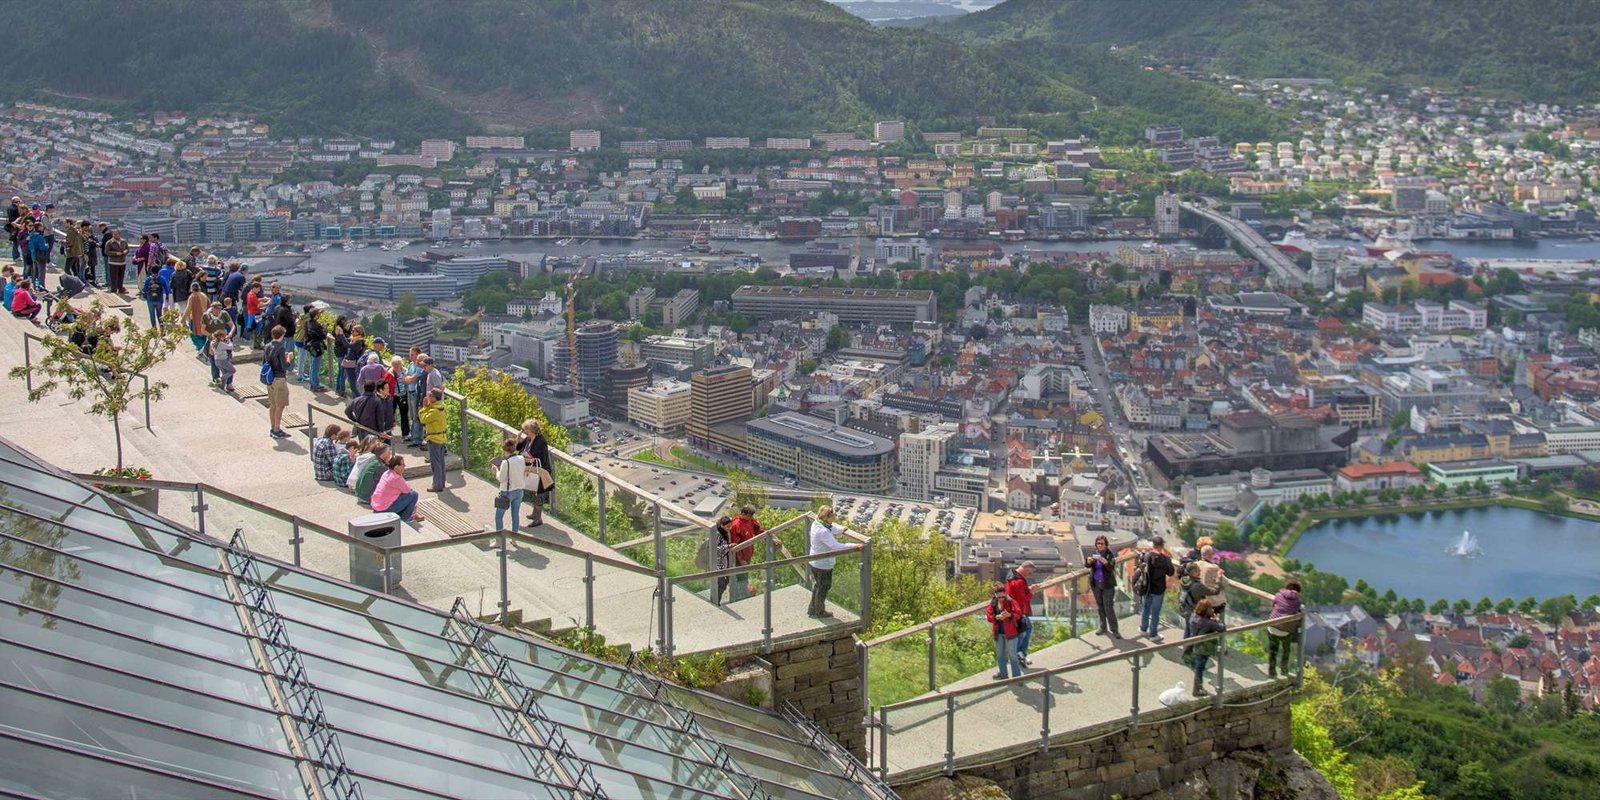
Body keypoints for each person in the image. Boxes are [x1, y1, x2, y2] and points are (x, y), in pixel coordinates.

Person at [806, 505, 853, 619]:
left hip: (815, 561)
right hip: (823, 564)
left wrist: (841, 529)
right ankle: (819, 611)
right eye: (832, 516)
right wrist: (854, 546)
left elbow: (832, 528)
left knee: (818, 585)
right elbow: (835, 546)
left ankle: (812, 608)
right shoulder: (823, 531)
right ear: (827, 517)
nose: (834, 518)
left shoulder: (817, 523)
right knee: (824, 586)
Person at [1136, 536, 1176, 642]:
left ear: (1153, 545)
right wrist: (1168, 561)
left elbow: (1140, 566)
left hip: (1147, 587)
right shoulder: (1165, 559)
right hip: (1159, 589)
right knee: (1155, 612)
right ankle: (1153, 634)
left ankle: (1143, 629)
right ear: (1162, 546)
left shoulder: (1146, 556)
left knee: (1145, 608)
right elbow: (1171, 572)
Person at [1185, 598, 1226, 698]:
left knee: (1198, 666)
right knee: (1200, 668)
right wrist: (1216, 619)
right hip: (1204, 648)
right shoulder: (1207, 623)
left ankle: (1198, 687)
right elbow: (1222, 627)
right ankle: (1197, 689)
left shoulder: (1193, 617)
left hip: (1194, 645)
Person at [515, 418, 552, 522]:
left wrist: (528, 459)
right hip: (531, 470)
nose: (525, 432)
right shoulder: (528, 439)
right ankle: (534, 513)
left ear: (532, 430)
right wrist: (517, 441)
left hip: (540, 472)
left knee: (539, 494)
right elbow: (519, 448)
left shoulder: (541, 441)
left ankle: (538, 518)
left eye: (526, 430)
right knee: (532, 491)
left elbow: (540, 459)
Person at [1266, 579, 1303, 679]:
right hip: (1285, 630)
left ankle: (1271, 672)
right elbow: (1296, 611)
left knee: (1273, 650)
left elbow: (1274, 605)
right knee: (1286, 650)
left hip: (1272, 626)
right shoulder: (1298, 601)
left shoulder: (1278, 595)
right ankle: (1284, 670)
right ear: (1298, 591)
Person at [726, 505, 764, 601]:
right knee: (741, 578)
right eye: (749, 515)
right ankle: (740, 598)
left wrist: (771, 538)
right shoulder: (736, 525)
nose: (751, 517)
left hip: (747, 556)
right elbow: (735, 545)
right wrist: (741, 560)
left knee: (744, 577)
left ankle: (742, 596)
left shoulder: (750, 520)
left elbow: (759, 530)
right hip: (738, 560)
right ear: (743, 514)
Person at [371, 455, 424, 523]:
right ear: (396, 467)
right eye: (403, 464)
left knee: (401, 494)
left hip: (376, 505)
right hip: (384, 509)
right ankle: (406, 518)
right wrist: (401, 475)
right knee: (414, 495)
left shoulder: (386, 473)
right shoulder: (396, 478)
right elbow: (408, 490)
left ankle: (401, 514)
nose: (404, 466)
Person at [988, 581, 1024, 680]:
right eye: (999, 597)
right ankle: (1003, 675)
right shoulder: (993, 603)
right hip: (998, 633)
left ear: (1005, 594)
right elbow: (989, 616)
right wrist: (996, 617)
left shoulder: (1011, 601)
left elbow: (1018, 614)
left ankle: (1016, 677)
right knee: (1000, 656)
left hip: (1011, 633)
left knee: (1013, 656)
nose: (1001, 599)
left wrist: (1009, 615)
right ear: (995, 596)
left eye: (1003, 597)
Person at [263, 324, 294, 439]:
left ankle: (273, 427)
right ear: (282, 335)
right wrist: (289, 358)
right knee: (280, 405)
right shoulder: (281, 347)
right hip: (279, 378)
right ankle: (277, 429)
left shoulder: (267, 346)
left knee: (273, 404)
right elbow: (285, 366)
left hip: (269, 378)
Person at [1004, 560, 1037, 667]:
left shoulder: (1012, 576)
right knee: (1024, 631)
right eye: (1030, 572)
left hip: (1011, 610)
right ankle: (1020, 655)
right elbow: (1022, 599)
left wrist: (1028, 589)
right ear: (1026, 569)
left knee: (1021, 632)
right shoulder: (1019, 581)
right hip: (1018, 611)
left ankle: (1019, 655)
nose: (1030, 575)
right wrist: (1032, 592)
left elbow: (1017, 592)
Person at [1087, 535, 1121, 638]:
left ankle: (1114, 630)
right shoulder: (1095, 553)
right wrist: (1088, 561)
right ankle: (1103, 626)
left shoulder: (1109, 554)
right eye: (1098, 543)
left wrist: (1105, 562)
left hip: (1107, 585)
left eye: (1102, 543)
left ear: (1106, 544)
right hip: (1096, 584)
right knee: (1100, 607)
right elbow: (1088, 566)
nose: (1100, 545)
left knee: (1108, 608)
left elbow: (1111, 568)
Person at [417, 389, 448, 492]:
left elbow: (423, 419)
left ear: (434, 398)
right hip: (441, 438)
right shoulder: (440, 407)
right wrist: (428, 407)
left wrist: (423, 408)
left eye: (430, 395)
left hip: (434, 438)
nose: (428, 397)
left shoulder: (434, 411)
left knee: (436, 464)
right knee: (441, 462)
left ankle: (437, 485)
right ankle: (441, 482)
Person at [494, 438, 526, 534]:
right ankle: (514, 538)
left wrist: (496, 470)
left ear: (504, 450)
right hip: (519, 490)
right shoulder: (521, 458)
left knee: (498, 516)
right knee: (515, 515)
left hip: (507, 492)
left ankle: (499, 541)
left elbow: (501, 479)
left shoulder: (505, 462)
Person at [401, 347, 424, 442]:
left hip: (415, 393)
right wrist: (408, 379)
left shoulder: (419, 367)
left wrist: (408, 379)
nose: (410, 356)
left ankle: (417, 438)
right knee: (412, 415)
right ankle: (413, 434)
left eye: (412, 354)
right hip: (409, 392)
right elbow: (405, 378)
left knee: (416, 416)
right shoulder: (411, 364)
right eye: (410, 354)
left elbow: (413, 379)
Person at [303, 304, 328, 391]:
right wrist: (324, 328)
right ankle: (315, 386)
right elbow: (323, 336)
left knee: (312, 366)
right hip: (317, 347)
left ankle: (313, 383)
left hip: (311, 347)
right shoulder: (316, 325)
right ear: (316, 315)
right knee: (315, 367)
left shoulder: (308, 323)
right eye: (318, 314)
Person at [340, 324, 367, 398]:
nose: (351, 332)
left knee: (352, 385)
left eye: (353, 331)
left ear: (358, 332)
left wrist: (341, 335)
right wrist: (340, 334)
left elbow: (348, 345)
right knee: (351, 382)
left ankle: (359, 400)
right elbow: (346, 341)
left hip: (352, 365)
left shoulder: (358, 342)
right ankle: (356, 399)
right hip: (349, 364)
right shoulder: (354, 339)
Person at [389, 357, 412, 441]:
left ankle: (405, 434)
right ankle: (388, 432)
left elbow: (408, 382)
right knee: (390, 414)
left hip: (403, 395)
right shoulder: (390, 372)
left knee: (404, 415)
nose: (396, 366)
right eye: (395, 364)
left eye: (398, 364)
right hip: (392, 396)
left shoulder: (405, 371)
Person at [210, 329, 237, 394]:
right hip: (223, 360)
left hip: (217, 360)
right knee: (233, 370)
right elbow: (231, 347)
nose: (225, 337)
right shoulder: (221, 344)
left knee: (225, 374)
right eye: (224, 336)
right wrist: (229, 340)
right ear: (220, 336)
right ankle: (220, 379)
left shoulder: (213, 342)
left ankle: (222, 388)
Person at [103, 229, 128, 294]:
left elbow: (127, 248)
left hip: (122, 261)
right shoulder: (109, 242)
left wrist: (125, 251)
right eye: (114, 234)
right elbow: (106, 252)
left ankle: (120, 289)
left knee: (121, 276)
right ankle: (113, 290)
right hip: (113, 262)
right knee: (114, 277)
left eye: (116, 234)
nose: (115, 235)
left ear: (119, 234)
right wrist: (116, 253)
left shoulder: (124, 241)